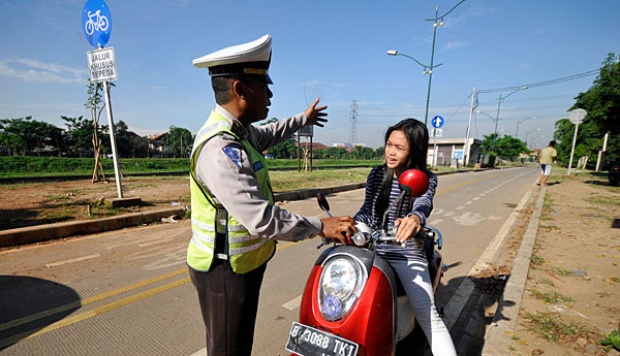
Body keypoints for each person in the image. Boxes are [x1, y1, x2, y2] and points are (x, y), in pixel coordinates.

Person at [186, 34, 356, 356]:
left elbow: (271, 131)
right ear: (240, 89)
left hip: (243, 265)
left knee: (237, 345)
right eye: (264, 83)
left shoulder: (239, 131)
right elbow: (261, 218)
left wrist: (302, 120)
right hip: (224, 270)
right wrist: (322, 226)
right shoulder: (221, 148)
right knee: (228, 350)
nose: (271, 92)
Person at [354, 118, 457, 356]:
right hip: (374, 249)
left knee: (427, 315)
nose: (390, 152)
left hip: (405, 252)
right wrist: (352, 225)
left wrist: (415, 219)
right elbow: (368, 210)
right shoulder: (377, 174)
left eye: (399, 148)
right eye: (389, 144)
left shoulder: (425, 178)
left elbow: (423, 203)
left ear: (414, 150)